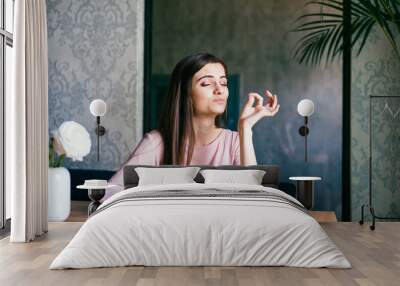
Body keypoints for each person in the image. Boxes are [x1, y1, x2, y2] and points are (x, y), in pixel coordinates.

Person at [104, 52, 280, 200]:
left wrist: (245, 128)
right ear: (185, 93)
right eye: (207, 83)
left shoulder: (234, 141)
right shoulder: (157, 142)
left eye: (224, 83)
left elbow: (256, 197)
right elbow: (110, 191)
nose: (219, 89)